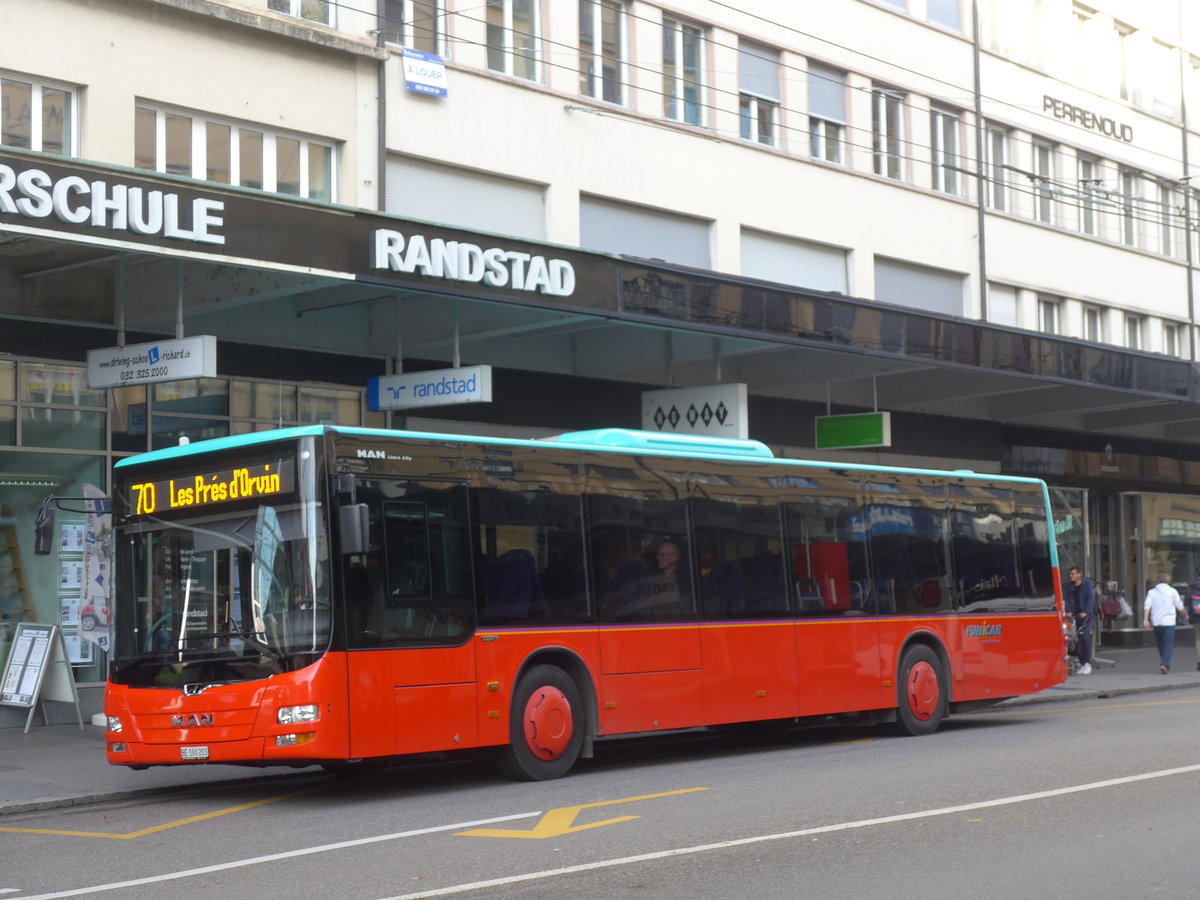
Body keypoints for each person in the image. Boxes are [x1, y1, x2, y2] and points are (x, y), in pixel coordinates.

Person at [1142, 573, 1185, 674]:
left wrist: (1145, 619)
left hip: (1156, 622)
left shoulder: (1151, 592)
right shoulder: (1173, 591)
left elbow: (1147, 606)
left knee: (1161, 644)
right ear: (1168, 581)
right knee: (1168, 644)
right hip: (1169, 622)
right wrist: (1185, 615)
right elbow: (1179, 606)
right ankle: (1164, 664)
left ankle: (1165, 664)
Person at [1063, 566, 1096, 675]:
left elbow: (1090, 599)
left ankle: (1087, 663)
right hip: (1074, 616)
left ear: (1079, 575)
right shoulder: (1069, 586)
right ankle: (1080, 663)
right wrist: (1068, 611)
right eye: (1070, 574)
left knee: (1085, 638)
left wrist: (1086, 612)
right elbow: (1067, 601)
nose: (1071, 576)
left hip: (1085, 616)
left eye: (1073, 574)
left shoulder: (1087, 585)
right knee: (1071, 639)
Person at [1188, 570, 1200, 671]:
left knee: (1198, 639)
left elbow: (1187, 601)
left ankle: (1199, 662)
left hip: (1196, 616)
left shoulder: (1191, 586)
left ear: (1197, 574)